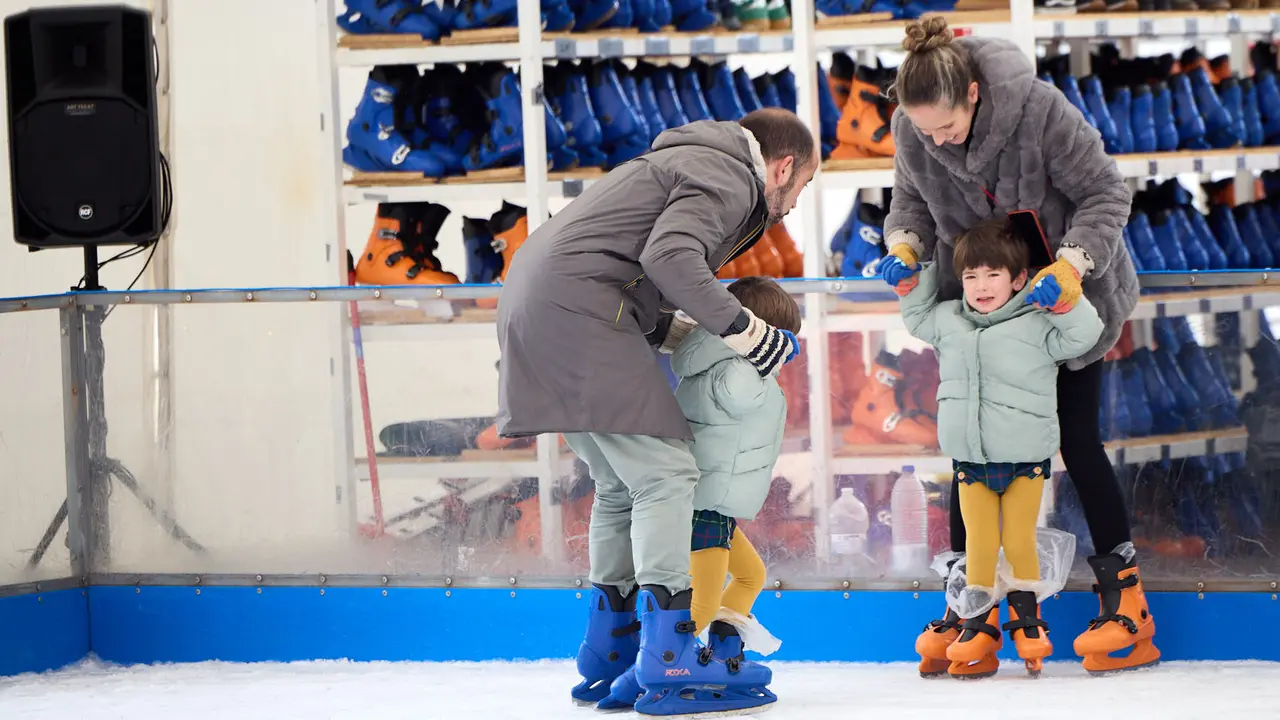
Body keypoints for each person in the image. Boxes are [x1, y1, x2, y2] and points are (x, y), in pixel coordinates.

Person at [495, 109, 816, 717]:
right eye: (802, 187)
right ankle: (669, 649)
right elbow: (672, 258)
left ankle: (611, 646)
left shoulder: (684, 161)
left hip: (537, 305)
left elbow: (637, 265)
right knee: (668, 474)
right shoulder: (727, 174)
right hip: (577, 310)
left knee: (621, 484)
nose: (796, 203)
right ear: (783, 167)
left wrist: (678, 329)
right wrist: (746, 332)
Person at [877, 17, 1154, 675]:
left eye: (944, 125)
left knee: (1079, 442)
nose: (935, 139)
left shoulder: (1039, 110)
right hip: (979, 310)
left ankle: (1129, 605)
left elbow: (1104, 194)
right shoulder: (915, 130)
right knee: (971, 450)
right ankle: (972, 608)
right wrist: (905, 249)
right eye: (924, 129)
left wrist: (1073, 263)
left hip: (1059, 301)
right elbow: (908, 209)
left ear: (973, 93)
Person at [898, 219, 1103, 679]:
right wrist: (913, 279)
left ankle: (1028, 623)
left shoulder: (1038, 321)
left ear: (1017, 279)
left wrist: (1066, 299)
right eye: (970, 276)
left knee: (1017, 540)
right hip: (971, 463)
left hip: (1025, 462)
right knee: (980, 544)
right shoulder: (949, 320)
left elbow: (1084, 336)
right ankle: (975, 623)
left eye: (993, 275)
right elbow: (915, 316)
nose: (980, 286)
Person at [598, 276, 798, 712]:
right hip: (704, 504)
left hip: (715, 504)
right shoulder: (737, 369)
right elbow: (740, 395)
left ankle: (722, 651)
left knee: (751, 575)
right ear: (756, 331)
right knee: (700, 604)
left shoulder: (710, 362)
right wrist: (762, 353)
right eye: (781, 336)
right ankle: (652, 670)